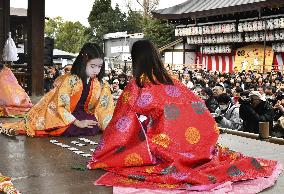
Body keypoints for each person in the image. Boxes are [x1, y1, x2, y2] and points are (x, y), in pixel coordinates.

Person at [88, 40, 279, 192]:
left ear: (135, 59)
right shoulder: (172, 81)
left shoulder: (137, 84)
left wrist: (104, 151)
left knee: (136, 145)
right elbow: (198, 108)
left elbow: (122, 120)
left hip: (165, 145)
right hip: (197, 146)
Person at [0, 43, 114, 137]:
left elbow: (105, 108)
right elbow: (60, 105)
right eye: (92, 66)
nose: (96, 71)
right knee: (75, 128)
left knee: (92, 126)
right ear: (83, 62)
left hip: (84, 114)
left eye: (99, 67)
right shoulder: (71, 80)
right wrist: (78, 122)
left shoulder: (102, 84)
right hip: (66, 115)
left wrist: (108, 126)